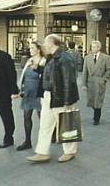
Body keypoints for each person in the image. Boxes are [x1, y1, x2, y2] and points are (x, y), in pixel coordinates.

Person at [27, 34, 79, 163]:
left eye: (45, 43)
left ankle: (70, 152)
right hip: (49, 96)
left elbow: (69, 80)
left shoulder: (64, 58)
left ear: (52, 43)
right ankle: (42, 152)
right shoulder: (52, 57)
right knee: (45, 125)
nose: (43, 45)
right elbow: (50, 74)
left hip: (60, 97)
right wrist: (38, 68)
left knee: (66, 125)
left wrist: (68, 101)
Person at [16, 41, 46, 151]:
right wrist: (21, 90)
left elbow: (46, 76)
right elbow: (23, 76)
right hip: (28, 93)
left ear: (38, 49)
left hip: (38, 94)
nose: (30, 50)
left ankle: (46, 139)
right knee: (26, 116)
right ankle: (27, 141)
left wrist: (38, 68)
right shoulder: (28, 60)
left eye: (32, 48)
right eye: (30, 48)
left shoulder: (44, 61)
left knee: (42, 118)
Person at [82, 40, 110, 125]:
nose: (92, 48)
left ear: (99, 48)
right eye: (92, 46)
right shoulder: (87, 58)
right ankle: (96, 111)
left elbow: (109, 71)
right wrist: (84, 84)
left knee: (98, 101)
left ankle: (96, 118)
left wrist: (103, 80)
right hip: (90, 83)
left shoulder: (106, 58)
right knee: (91, 101)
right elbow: (85, 72)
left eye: (94, 47)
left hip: (99, 83)